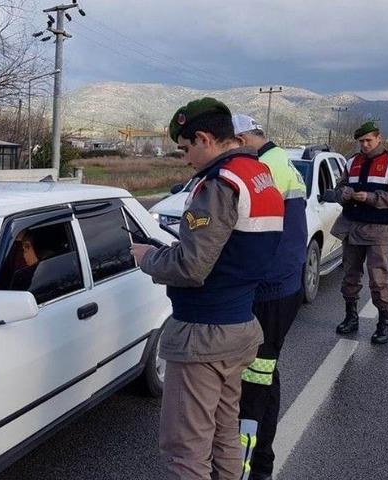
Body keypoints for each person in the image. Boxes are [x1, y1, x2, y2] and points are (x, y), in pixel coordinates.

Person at [130, 98, 284, 480]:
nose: (185, 160)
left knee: (186, 450)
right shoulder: (259, 175)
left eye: (185, 149)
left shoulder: (219, 184)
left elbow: (192, 266)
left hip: (204, 334)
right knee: (224, 433)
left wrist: (148, 257)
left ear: (204, 138)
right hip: (240, 325)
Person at [233, 114, 308, 480]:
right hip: (284, 284)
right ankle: (261, 463)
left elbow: (249, 232)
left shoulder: (263, 168)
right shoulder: (280, 161)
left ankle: (250, 467)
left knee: (255, 382)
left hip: (269, 288)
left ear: (242, 139)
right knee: (265, 372)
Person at [323, 121, 388, 344]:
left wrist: (370, 198)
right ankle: (351, 317)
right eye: (361, 141)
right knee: (350, 275)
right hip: (352, 226)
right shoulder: (352, 161)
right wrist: (344, 194)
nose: (364, 145)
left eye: (368, 140)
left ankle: (384, 323)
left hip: (378, 229)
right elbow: (339, 188)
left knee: (378, 279)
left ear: (379, 138)